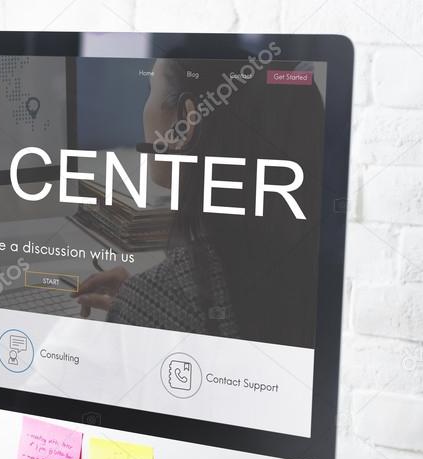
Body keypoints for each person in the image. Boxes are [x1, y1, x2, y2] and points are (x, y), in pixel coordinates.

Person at [77, 55, 324, 350]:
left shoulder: (165, 295)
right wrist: (154, 304)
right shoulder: (316, 259)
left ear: (185, 122)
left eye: (149, 90)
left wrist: (149, 305)